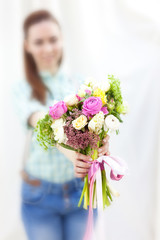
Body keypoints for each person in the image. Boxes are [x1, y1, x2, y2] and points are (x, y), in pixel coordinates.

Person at [13, 10, 110, 240]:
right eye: (39, 42)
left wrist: (102, 144)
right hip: (40, 198)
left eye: (53, 39)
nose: (47, 48)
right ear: (27, 46)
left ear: (62, 40)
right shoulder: (22, 89)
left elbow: (95, 130)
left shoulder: (81, 85)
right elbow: (39, 120)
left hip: (80, 194)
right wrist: (69, 152)